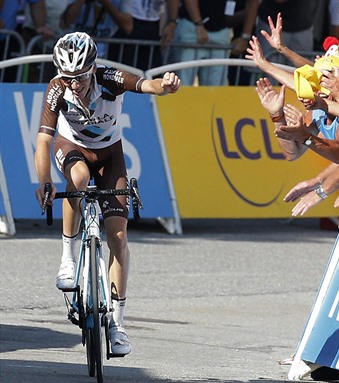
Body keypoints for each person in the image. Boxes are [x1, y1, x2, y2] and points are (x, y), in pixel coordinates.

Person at [34, 32, 181, 355]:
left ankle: (117, 324)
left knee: (118, 236)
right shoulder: (57, 89)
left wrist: (165, 86)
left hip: (110, 156)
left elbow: (146, 85)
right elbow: (44, 140)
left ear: (93, 68)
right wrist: (44, 179)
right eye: (68, 77)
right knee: (80, 177)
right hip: (72, 148)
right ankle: (68, 260)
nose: (74, 84)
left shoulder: (110, 78)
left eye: (80, 77)